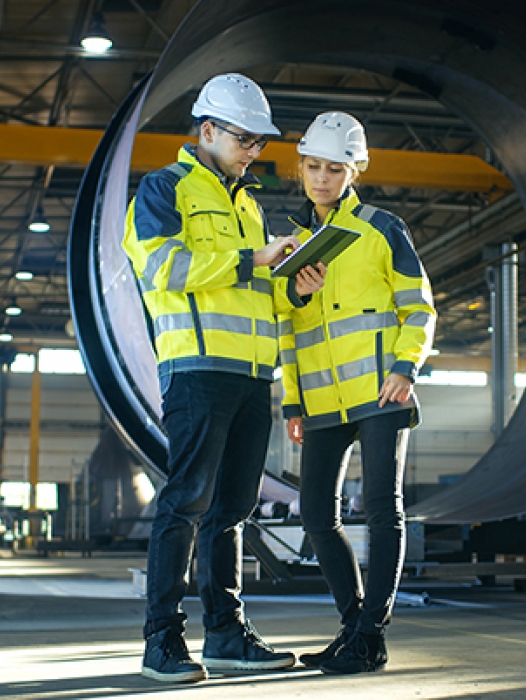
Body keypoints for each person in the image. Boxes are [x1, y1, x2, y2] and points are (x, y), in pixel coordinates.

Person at [122, 73, 325, 683]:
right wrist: (254, 257)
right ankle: (161, 642)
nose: (253, 150)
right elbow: (163, 266)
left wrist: (294, 287)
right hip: (197, 370)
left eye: (260, 142)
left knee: (233, 511)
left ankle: (226, 635)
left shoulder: (250, 206)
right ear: (206, 130)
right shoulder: (165, 189)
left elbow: (258, 296)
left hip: (251, 376)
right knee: (185, 503)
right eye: (243, 137)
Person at [278, 112, 436, 675]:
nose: (322, 178)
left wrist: (405, 367)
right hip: (321, 400)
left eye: (335, 168)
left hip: (380, 391)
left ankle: (371, 634)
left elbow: (418, 307)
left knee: (380, 510)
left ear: (355, 169)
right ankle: (352, 627)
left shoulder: (381, 227)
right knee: (317, 514)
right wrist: (292, 401)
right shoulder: (290, 242)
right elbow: (287, 330)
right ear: (301, 166)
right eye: (314, 166)